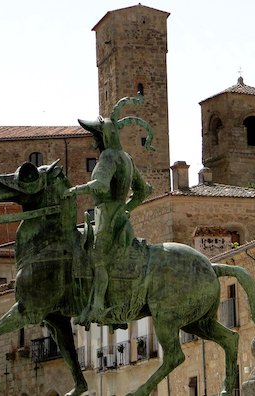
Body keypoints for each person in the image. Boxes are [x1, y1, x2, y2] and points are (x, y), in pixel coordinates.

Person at [65, 96, 153, 325]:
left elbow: (101, 185)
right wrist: (126, 209)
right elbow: (144, 191)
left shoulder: (108, 157)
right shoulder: (127, 159)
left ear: (103, 137)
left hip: (105, 216)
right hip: (120, 217)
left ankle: (97, 307)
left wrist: (74, 190)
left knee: (98, 260)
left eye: (95, 137)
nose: (94, 142)